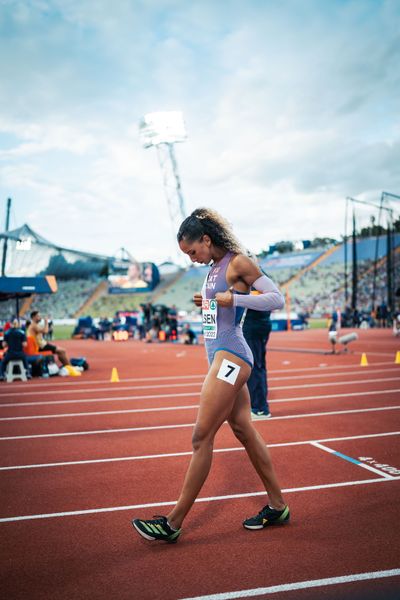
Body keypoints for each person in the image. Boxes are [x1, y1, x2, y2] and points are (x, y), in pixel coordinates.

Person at [132, 207, 289, 543]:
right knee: (244, 430)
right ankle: (278, 506)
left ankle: (172, 523)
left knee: (201, 436)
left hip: (231, 355)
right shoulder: (214, 268)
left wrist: (237, 298)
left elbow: (277, 298)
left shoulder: (239, 262)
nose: (191, 259)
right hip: (219, 355)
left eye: (192, 251)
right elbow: (220, 308)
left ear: (206, 239)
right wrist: (207, 302)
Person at [242, 292, 272, 418]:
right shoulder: (259, 278)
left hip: (254, 327)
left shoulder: (253, 277)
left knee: (255, 367)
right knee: (255, 366)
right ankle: (257, 406)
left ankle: (260, 408)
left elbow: (255, 302)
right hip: (255, 325)